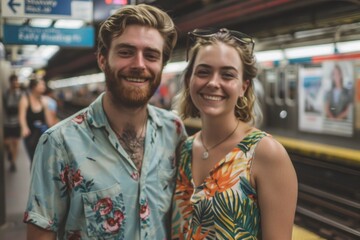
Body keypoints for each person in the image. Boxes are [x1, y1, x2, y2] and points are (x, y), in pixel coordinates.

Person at [23, 4, 187, 240]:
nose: (139, 64)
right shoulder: (58, 143)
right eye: (126, 52)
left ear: (162, 64)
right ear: (102, 59)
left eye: (151, 55)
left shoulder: (174, 130)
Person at [171, 28, 298, 239]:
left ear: (243, 87)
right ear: (189, 80)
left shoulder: (265, 153)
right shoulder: (183, 149)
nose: (213, 82)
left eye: (227, 75)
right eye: (203, 72)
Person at [18, 78, 53, 164]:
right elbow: (21, 117)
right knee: (33, 160)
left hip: (43, 134)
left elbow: (49, 120)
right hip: (30, 134)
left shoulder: (44, 101)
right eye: (41, 84)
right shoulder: (25, 100)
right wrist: (24, 128)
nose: (43, 87)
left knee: (43, 160)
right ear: (34, 87)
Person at [3, 74, 22, 172]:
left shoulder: (20, 94)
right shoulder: (6, 93)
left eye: (17, 81)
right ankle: (10, 153)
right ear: (11, 82)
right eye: (14, 81)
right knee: (6, 142)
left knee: (15, 142)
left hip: (17, 122)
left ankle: (13, 162)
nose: (16, 83)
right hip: (7, 122)